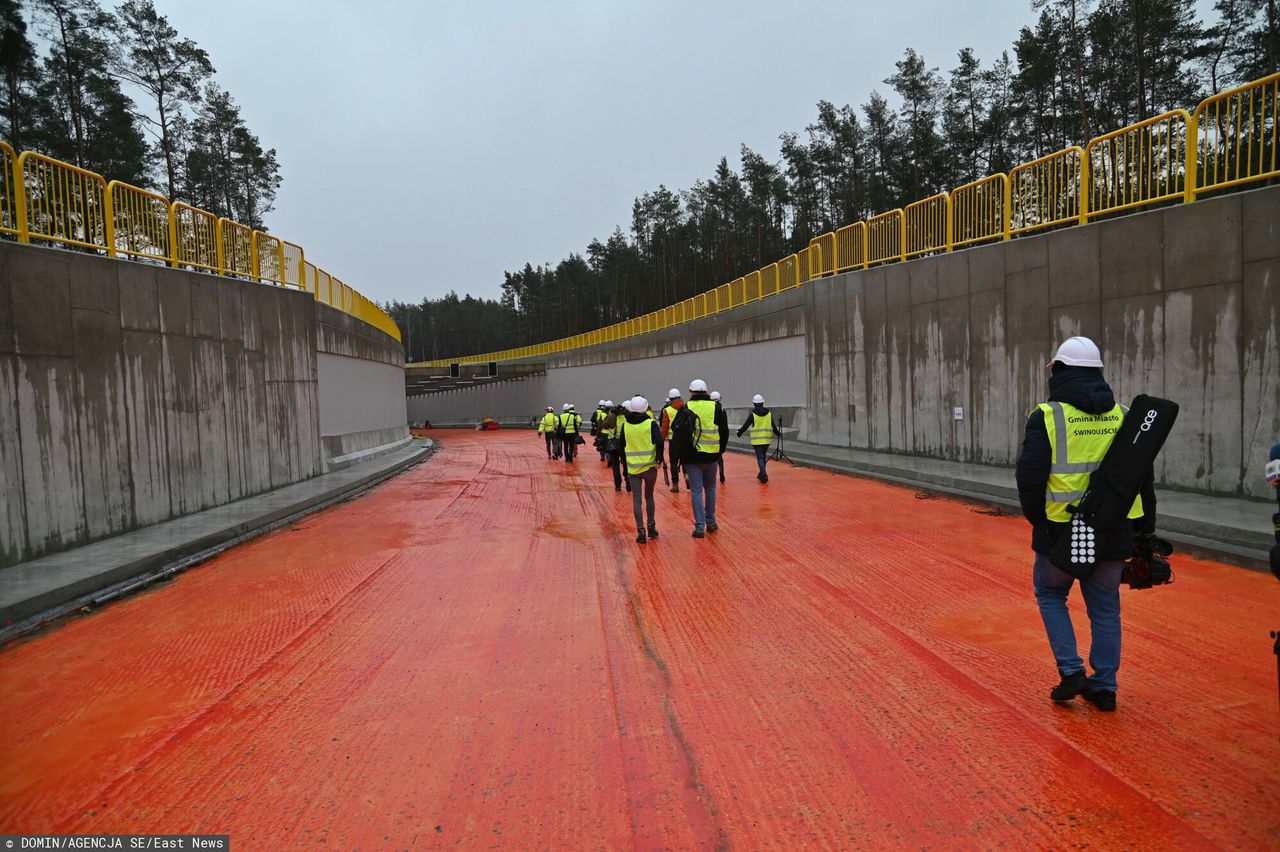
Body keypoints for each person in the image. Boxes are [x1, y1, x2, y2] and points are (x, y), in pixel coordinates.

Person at [1015, 336, 1157, 713]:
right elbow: (1143, 479)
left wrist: (1039, 523)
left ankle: (1072, 671)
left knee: (1050, 595)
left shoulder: (1047, 416)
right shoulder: (1126, 416)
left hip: (1062, 532)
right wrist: (1145, 532)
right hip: (1113, 532)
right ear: (1097, 373)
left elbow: (1030, 478)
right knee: (1106, 608)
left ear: (1058, 371)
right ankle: (1105, 686)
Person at [671, 378, 728, 538]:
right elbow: (724, 432)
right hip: (711, 456)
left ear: (690, 392)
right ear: (706, 391)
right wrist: (719, 451)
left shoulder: (687, 407)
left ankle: (699, 527)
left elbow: (677, 431)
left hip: (692, 457)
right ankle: (711, 522)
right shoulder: (716, 407)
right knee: (710, 488)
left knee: (696, 490)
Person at [619, 396, 665, 543]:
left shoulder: (625, 426)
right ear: (645, 408)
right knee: (649, 497)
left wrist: (625, 469)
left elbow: (621, 448)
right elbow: (660, 442)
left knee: (636, 500)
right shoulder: (651, 424)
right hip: (650, 467)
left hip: (633, 469)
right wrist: (659, 460)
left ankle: (641, 532)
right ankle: (651, 527)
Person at [736, 394, 781, 483]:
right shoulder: (768, 413)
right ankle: (761, 474)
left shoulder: (753, 414)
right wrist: (778, 434)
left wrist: (739, 432)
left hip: (757, 440)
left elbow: (746, 425)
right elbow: (773, 425)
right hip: (767, 440)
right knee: (763, 457)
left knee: (760, 458)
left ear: (754, 404)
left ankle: (764, 475)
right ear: (762, 402)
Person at [660, 389, 686, 493]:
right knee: (686, 460)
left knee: (674, 462)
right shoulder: (686, 408)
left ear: (670, 399)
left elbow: (665, 427)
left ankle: (675, 485)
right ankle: (687, 475)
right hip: (685, 440)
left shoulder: (667, 410)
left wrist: (661, 440)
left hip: (673, 441)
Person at [710, 391, 726, 483]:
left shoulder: (710, 409)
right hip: (720, 437)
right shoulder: (722, 410)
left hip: (711, 436)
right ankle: (721, 470)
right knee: (719, 456)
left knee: (711, 458)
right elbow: (725, 428)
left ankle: (711, 476)